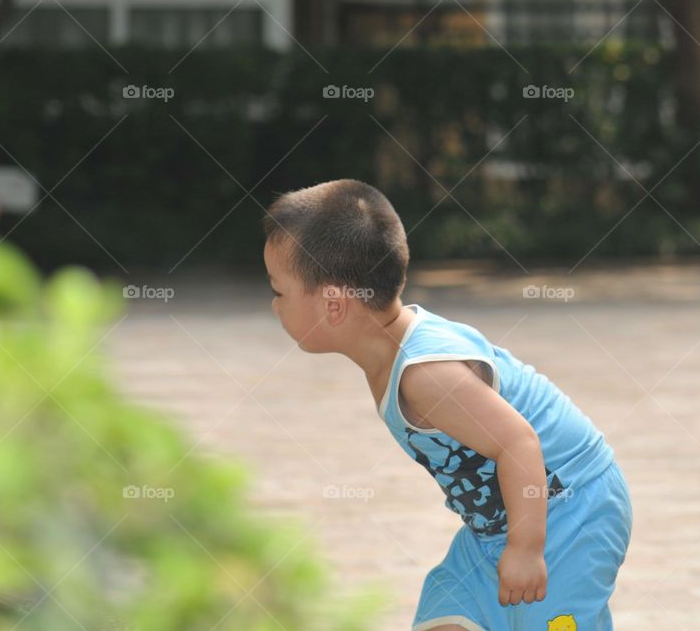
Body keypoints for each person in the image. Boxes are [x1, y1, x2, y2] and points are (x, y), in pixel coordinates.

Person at [261, 179, 633, 631]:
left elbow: (519, 442)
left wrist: (526, 549)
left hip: (568, 511)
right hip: (494, 530)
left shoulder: (425, 375)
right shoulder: (391, 349)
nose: (274, 305)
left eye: (279, 291)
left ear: (334, 305)